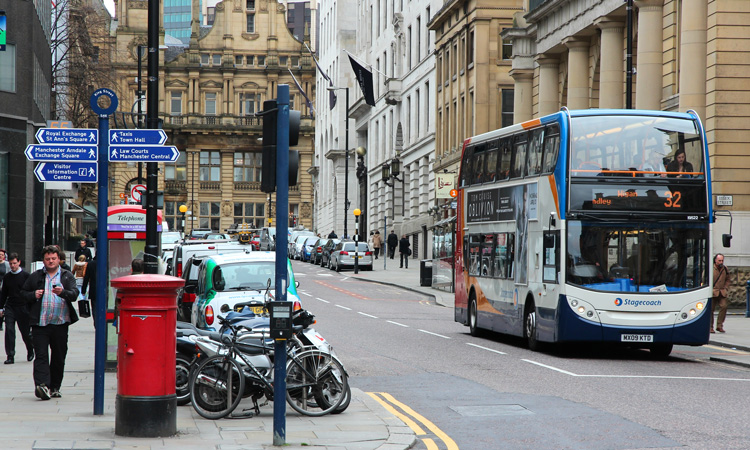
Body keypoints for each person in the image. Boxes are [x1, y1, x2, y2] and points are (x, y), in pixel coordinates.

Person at [20, 245, 80, 400]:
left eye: (54, 258)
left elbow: (74, 294)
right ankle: (42, 385)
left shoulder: (66, 276)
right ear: (43, 261)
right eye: (48, 259)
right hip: (40, 323)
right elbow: (23, 294)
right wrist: (34, 294)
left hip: (60, 323)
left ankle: (54, 387)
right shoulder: (35, 276)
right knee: (41, 356)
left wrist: (63, 293)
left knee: (59, 356)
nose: (51, 261)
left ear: (59, 259)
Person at [0, 253, 34, 364]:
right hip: (10, 306)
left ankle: (30, 349)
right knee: (9, 330)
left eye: (14, 263)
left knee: (25, 332)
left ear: (19, 262)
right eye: (10, 264)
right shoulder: (7, 277)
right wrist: (1, 308)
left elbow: (30, 292)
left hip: (23, 306)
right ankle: (10, 355)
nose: (13, 266)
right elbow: (4, 293)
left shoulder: (26, 276)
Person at [711, 254, 731, 334]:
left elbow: (728, 279)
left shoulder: (725, 268)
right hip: (713, 292)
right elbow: (704, 278)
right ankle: (710, 327)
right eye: (719, 260)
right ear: (715, 260)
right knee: (711, 310)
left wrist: (725, 287)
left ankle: (719, 325)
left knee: (724, 306)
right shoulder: (711, 268)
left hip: (722, 292)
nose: (721, 262)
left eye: (722, 260)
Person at [81, 256, 97, 325]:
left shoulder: (90, 264)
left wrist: (83, 290)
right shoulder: (106, 263)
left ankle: (96, 323)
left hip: (93, 290)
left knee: (94, 308)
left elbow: (86, 278)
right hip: (104, 291)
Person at [0, 249, 9, 331]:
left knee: (1, 304)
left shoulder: (7, 265)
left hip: (3, 287)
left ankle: (0, 323)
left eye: (2, 255)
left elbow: (9, 274)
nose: (0, 256)